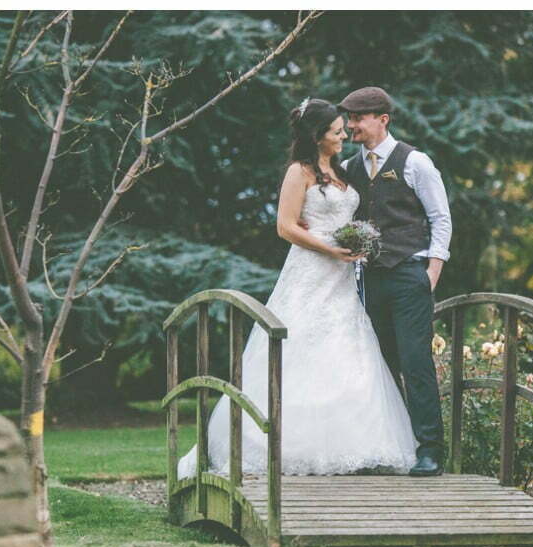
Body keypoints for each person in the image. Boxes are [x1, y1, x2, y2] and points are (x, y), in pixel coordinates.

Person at [177, 98, 417, 479]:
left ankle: (353, 447)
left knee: (348, 349)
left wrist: (355, 241)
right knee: (299, 348)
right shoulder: (298, 172)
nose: (344, 136)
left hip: (342, 278)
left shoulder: (341, 171)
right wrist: (329, 248)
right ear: (317, 136)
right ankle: (284, 445)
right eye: (337, 131)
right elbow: (285, 226)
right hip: (310, 272)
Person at [338, 86, 453, 476]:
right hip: (368, 279)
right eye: (349, 118)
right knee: (378, 365)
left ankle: (430, 450)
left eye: (358, 118)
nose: (351, 125)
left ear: (382, 119)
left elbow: (440, 218)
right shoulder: (350, 168)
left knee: (415, 361)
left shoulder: (415, 162)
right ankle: (389, 450)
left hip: (408, 273)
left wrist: (432, 271)